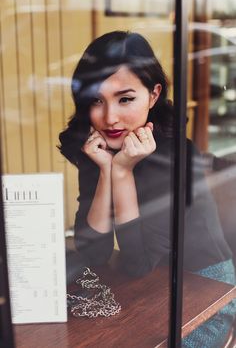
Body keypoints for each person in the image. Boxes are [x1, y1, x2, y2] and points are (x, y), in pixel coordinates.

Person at [59, 31, 235, 347]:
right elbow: (95, 253)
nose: (109, 117)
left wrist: (123, 172)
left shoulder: (177, 157)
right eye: (96, 100)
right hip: (153, 287)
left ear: (153, 95)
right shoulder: (98, 153)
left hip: (206, 295)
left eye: (125, 98)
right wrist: (105, 171)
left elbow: (137, 263)